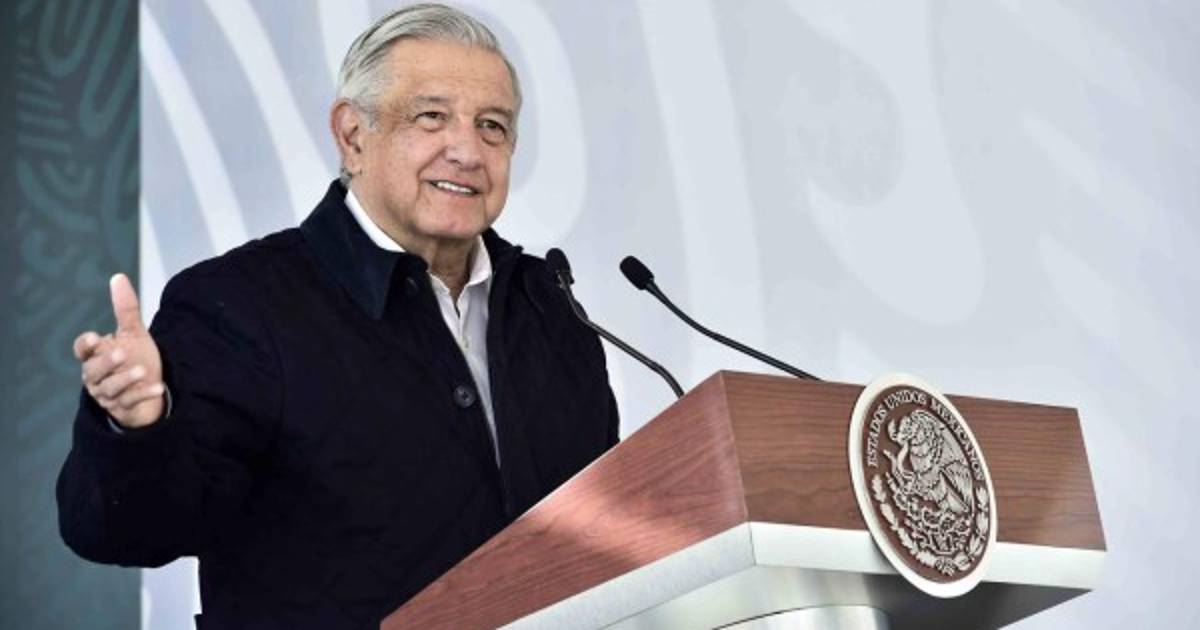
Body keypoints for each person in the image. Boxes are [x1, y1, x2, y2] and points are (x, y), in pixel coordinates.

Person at [57, 5, 619, 629]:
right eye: (431, 117)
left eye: (492, 126)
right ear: (353, 136)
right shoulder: (239, 303)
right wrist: (137, 429)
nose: (466, 150)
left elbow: (606, 524)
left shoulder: (548, 304)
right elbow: (124, 530)